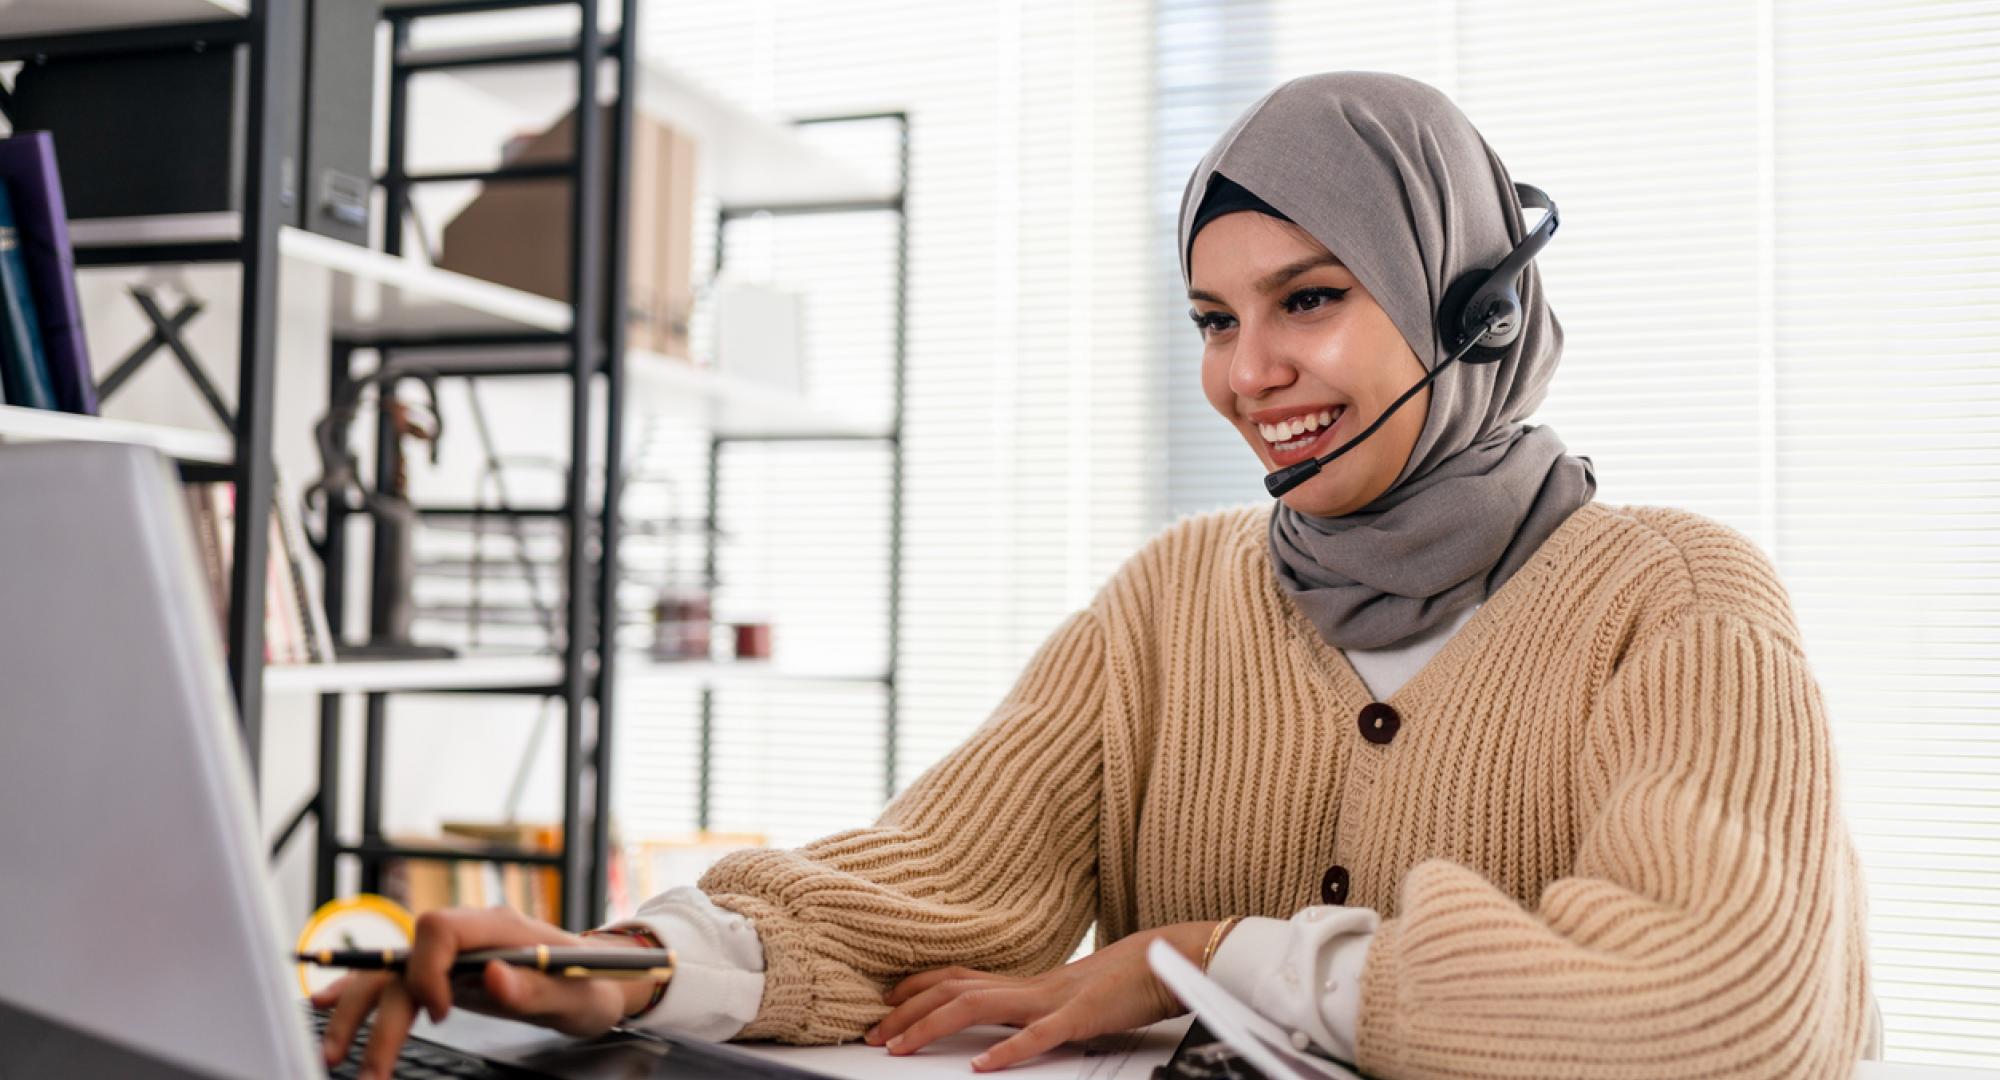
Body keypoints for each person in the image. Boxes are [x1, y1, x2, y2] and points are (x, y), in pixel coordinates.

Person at [318, 71, 1878, 1079]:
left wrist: (1200, 960)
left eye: (1309, 300)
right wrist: (627, 969)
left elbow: (1714, 1006)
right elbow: (926, 881)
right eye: (1212, 319)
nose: (1250, 372)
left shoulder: (1678, 599)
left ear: (1467, 311)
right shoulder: (1175, 600)